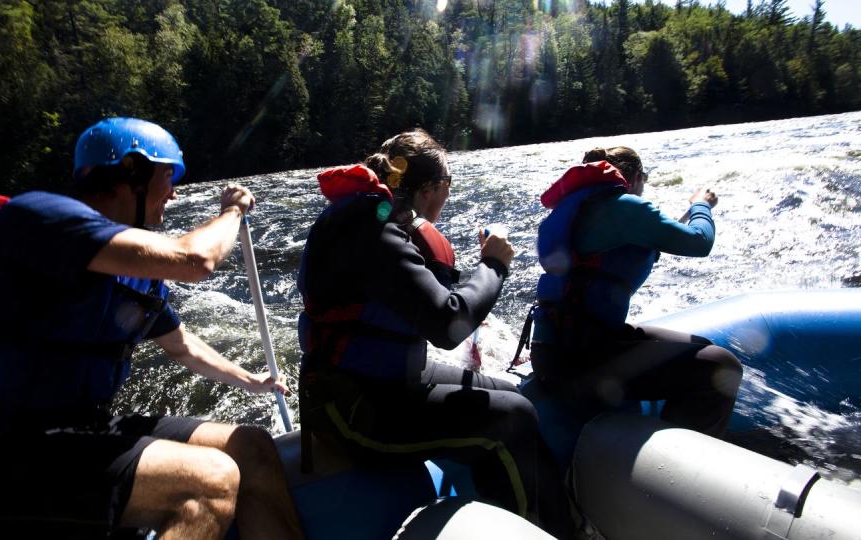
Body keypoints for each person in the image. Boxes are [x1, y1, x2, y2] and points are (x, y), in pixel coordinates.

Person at [0, 118, 304, 539]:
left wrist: (254, 382)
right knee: (209, 482)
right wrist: (232, 211)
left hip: (69, 431)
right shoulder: (39, 219)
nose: (175, 192)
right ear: (132, 171)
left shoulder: (132, 269)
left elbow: (181, 345)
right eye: (169, 176)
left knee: (252, 447)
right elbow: (195, 260)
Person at [297, 129, 572, 538]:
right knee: (514, 418)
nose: (447, 196)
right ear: (430, 189)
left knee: (513, 393)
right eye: (447, 186)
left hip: (382, 384)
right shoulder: (378, 236)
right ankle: (549, 529)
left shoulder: (372, 221)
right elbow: (449, 324)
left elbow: (425, 306)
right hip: (356, 412)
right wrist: (493, 264)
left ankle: (554, 519)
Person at [528, 146, 743, 437]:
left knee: (704, 347)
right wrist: (700, 205)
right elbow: (700, 241)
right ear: (637, 177)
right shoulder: (626, 206)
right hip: (583, 358)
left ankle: (669, 433)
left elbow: (638, 243)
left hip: (557, 350)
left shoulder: (578, 209)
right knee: (721, 366)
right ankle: (675, 463)